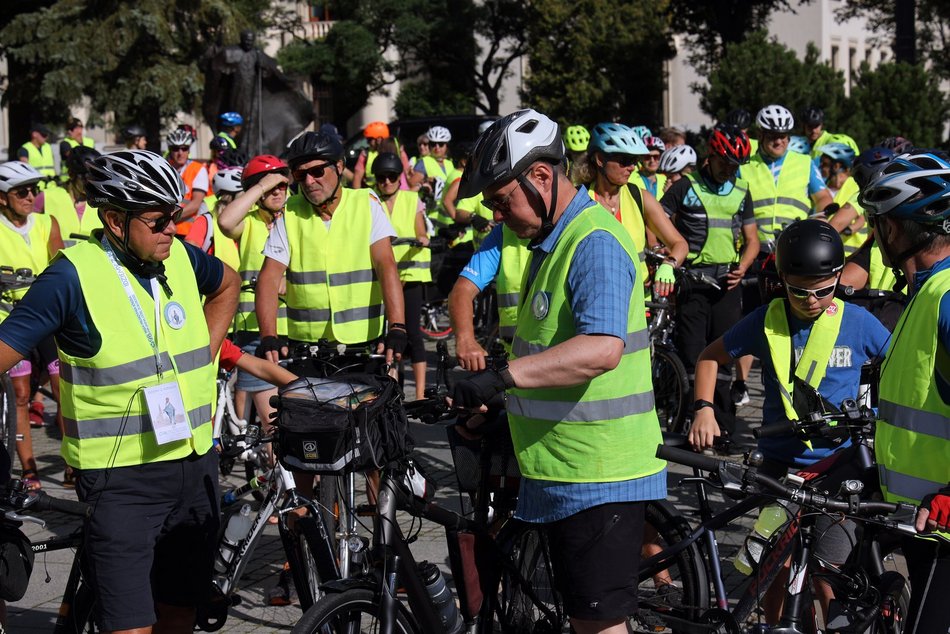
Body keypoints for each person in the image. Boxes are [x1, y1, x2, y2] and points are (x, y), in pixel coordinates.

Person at [0, 149, 240, 633]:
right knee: (131, 624)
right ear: (113, 218)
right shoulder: (72, 276)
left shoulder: (177, 257)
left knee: (179, 610)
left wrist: (206, 353)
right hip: (122, 481)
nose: (173, 229)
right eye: (158, 220)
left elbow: (228, 284)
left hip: (195, 464)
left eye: (175, 216)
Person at [450, 109, 666, 634]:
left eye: (503, 201)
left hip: (600, 475)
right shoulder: (549, 243)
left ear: (542, 177)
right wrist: (499, 402)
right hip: (562, 470)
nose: (499, 216)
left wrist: (503, 377)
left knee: (599, 628)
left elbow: (600, 350)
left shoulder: (593, 242)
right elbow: (550, 351)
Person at [689, 219, 890, 623]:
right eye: (798, 291)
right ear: (781, 279)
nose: (811, 301)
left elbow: (897, 365)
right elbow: (710, 357)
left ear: (838, 277)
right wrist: (704, 408)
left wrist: (882, 417)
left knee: (827, 573)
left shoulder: (858, 322)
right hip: (779, 469)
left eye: (823, 291)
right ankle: (775, 625)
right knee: (773, 568)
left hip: (838, 467)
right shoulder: (766, 319)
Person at [858, 151, 950, 633]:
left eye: (879, 225)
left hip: (943, 523)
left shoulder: (946, 295)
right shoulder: (924, 291)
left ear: (894, 230)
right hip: (918, 516)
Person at [254, 130, 406, 364]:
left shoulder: (367, 204)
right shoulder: (289, 212)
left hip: (362, 344)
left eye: (317, 171)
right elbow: (269, 277)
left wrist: (397, 326)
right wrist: (268, 336)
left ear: (339, 165)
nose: (309, 181)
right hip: (307, 347)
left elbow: (386, 265)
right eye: (300, 174)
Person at [661, 124, 759, 434]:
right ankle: (691, 422)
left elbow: (752, 239)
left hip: (726, 284)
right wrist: (666, 255)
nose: (728, 170)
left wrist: (743, 266)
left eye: (734, 165)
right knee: (692, 355)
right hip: (693, 282)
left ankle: (723, 426)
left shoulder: (741, 190)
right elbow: (657, 220)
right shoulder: (685, 186)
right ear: (710, 156)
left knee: (726, 355)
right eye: (724, 163)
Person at [733, 105, 833, 405]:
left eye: (785, 136)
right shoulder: (746, 164)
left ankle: (797, 380)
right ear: (761, 136)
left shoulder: (804, 162)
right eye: (774, 136)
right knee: (751, 317)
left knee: (793, 318)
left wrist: (820, 219)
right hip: (757, 250)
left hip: (793, 250)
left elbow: (824, 198)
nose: (780, 142)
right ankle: (741, 383)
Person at [0, 161, 65, 490]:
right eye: (21, 191)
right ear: (2, 197)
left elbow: (61, 271)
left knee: (62, 389)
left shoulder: (45, 223)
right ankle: (29, 471)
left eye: (34, 190)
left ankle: (73, 462)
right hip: (9, 322)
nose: (30, 197)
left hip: (47, 319)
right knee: (22, 394)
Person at [218, 154, 291, 443]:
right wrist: (261, 186)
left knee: (302, 423)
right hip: (255, 330)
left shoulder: (296, 220)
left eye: (282, 186)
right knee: (273, 426)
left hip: (294, 331)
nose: (277, 192)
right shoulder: (248, 223)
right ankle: (281, 487)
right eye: (269, 187)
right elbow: (225, 221)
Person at [586, 123, 688, 298]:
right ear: (600, 159)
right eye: (625, 161)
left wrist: (669, 264)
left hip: (638, 300)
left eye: (634, 161)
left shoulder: (640, 197)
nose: (632, 167)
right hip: (595, 298)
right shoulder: (579, 198)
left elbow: (680, 244)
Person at [372, 152, 430, 399]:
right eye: (381, 177)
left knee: (413, 334)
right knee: (389, 334)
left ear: (399, 178)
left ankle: (419, 395)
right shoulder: (370, 201)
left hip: (410, 273)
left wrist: (422, 238)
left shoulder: (411, 199)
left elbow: (420, 229)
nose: (386, 182)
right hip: (384, 274)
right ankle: (392, 389)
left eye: (391, 177)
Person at [39, 146, 103, 248]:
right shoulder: (46, 197)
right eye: (86, 179)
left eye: (96, 179)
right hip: (60, 263)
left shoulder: (103, 201)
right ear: (71, 174)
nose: (92, 185)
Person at [184, 166, 242, 271]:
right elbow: (189, 258)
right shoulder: (206, 221)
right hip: (218, 284)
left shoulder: (253, 218)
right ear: (229, 198)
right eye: (244, 196)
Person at [814, 142, 867, 256]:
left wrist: (850, 228)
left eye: (824, 163)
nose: (820, 167)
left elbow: (862, 218)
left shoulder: (855, 187)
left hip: (853, 255)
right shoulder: (820, 189)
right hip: (827, 253)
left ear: (836, 166)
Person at [165, 128, 210, 237]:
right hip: (166, 230)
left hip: (189, 232)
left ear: (189, 150)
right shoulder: (165, 168)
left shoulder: (197, 169)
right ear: (170, 150)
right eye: (176, 149)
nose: (180, 153)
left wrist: (166, 219)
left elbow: (195, 204)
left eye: (184, 149)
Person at [352, 121, 410, 190]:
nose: (368, 142)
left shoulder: (397, 150)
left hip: (395, 191)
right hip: (373, 194)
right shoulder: (365, 154)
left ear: (379, 139)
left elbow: (407, 173)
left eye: (370, 139)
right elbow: (357, 177)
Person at [410, 125, 455, 199]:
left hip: (446, 208)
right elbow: (411, 186)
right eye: (433, 144)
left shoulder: (449, 163)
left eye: (441, 144)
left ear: (446, 146)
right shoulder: (423, 162)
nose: (437, 147)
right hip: (429, 209)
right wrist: (425, 181)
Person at [59, 117, 95, 181]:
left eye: (73, 129)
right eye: (68, 129)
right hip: (69, 180)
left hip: (87, 180)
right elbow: (72, 156)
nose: (69, 131)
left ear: (80, 129)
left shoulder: (90, 142)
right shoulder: (65, 143)